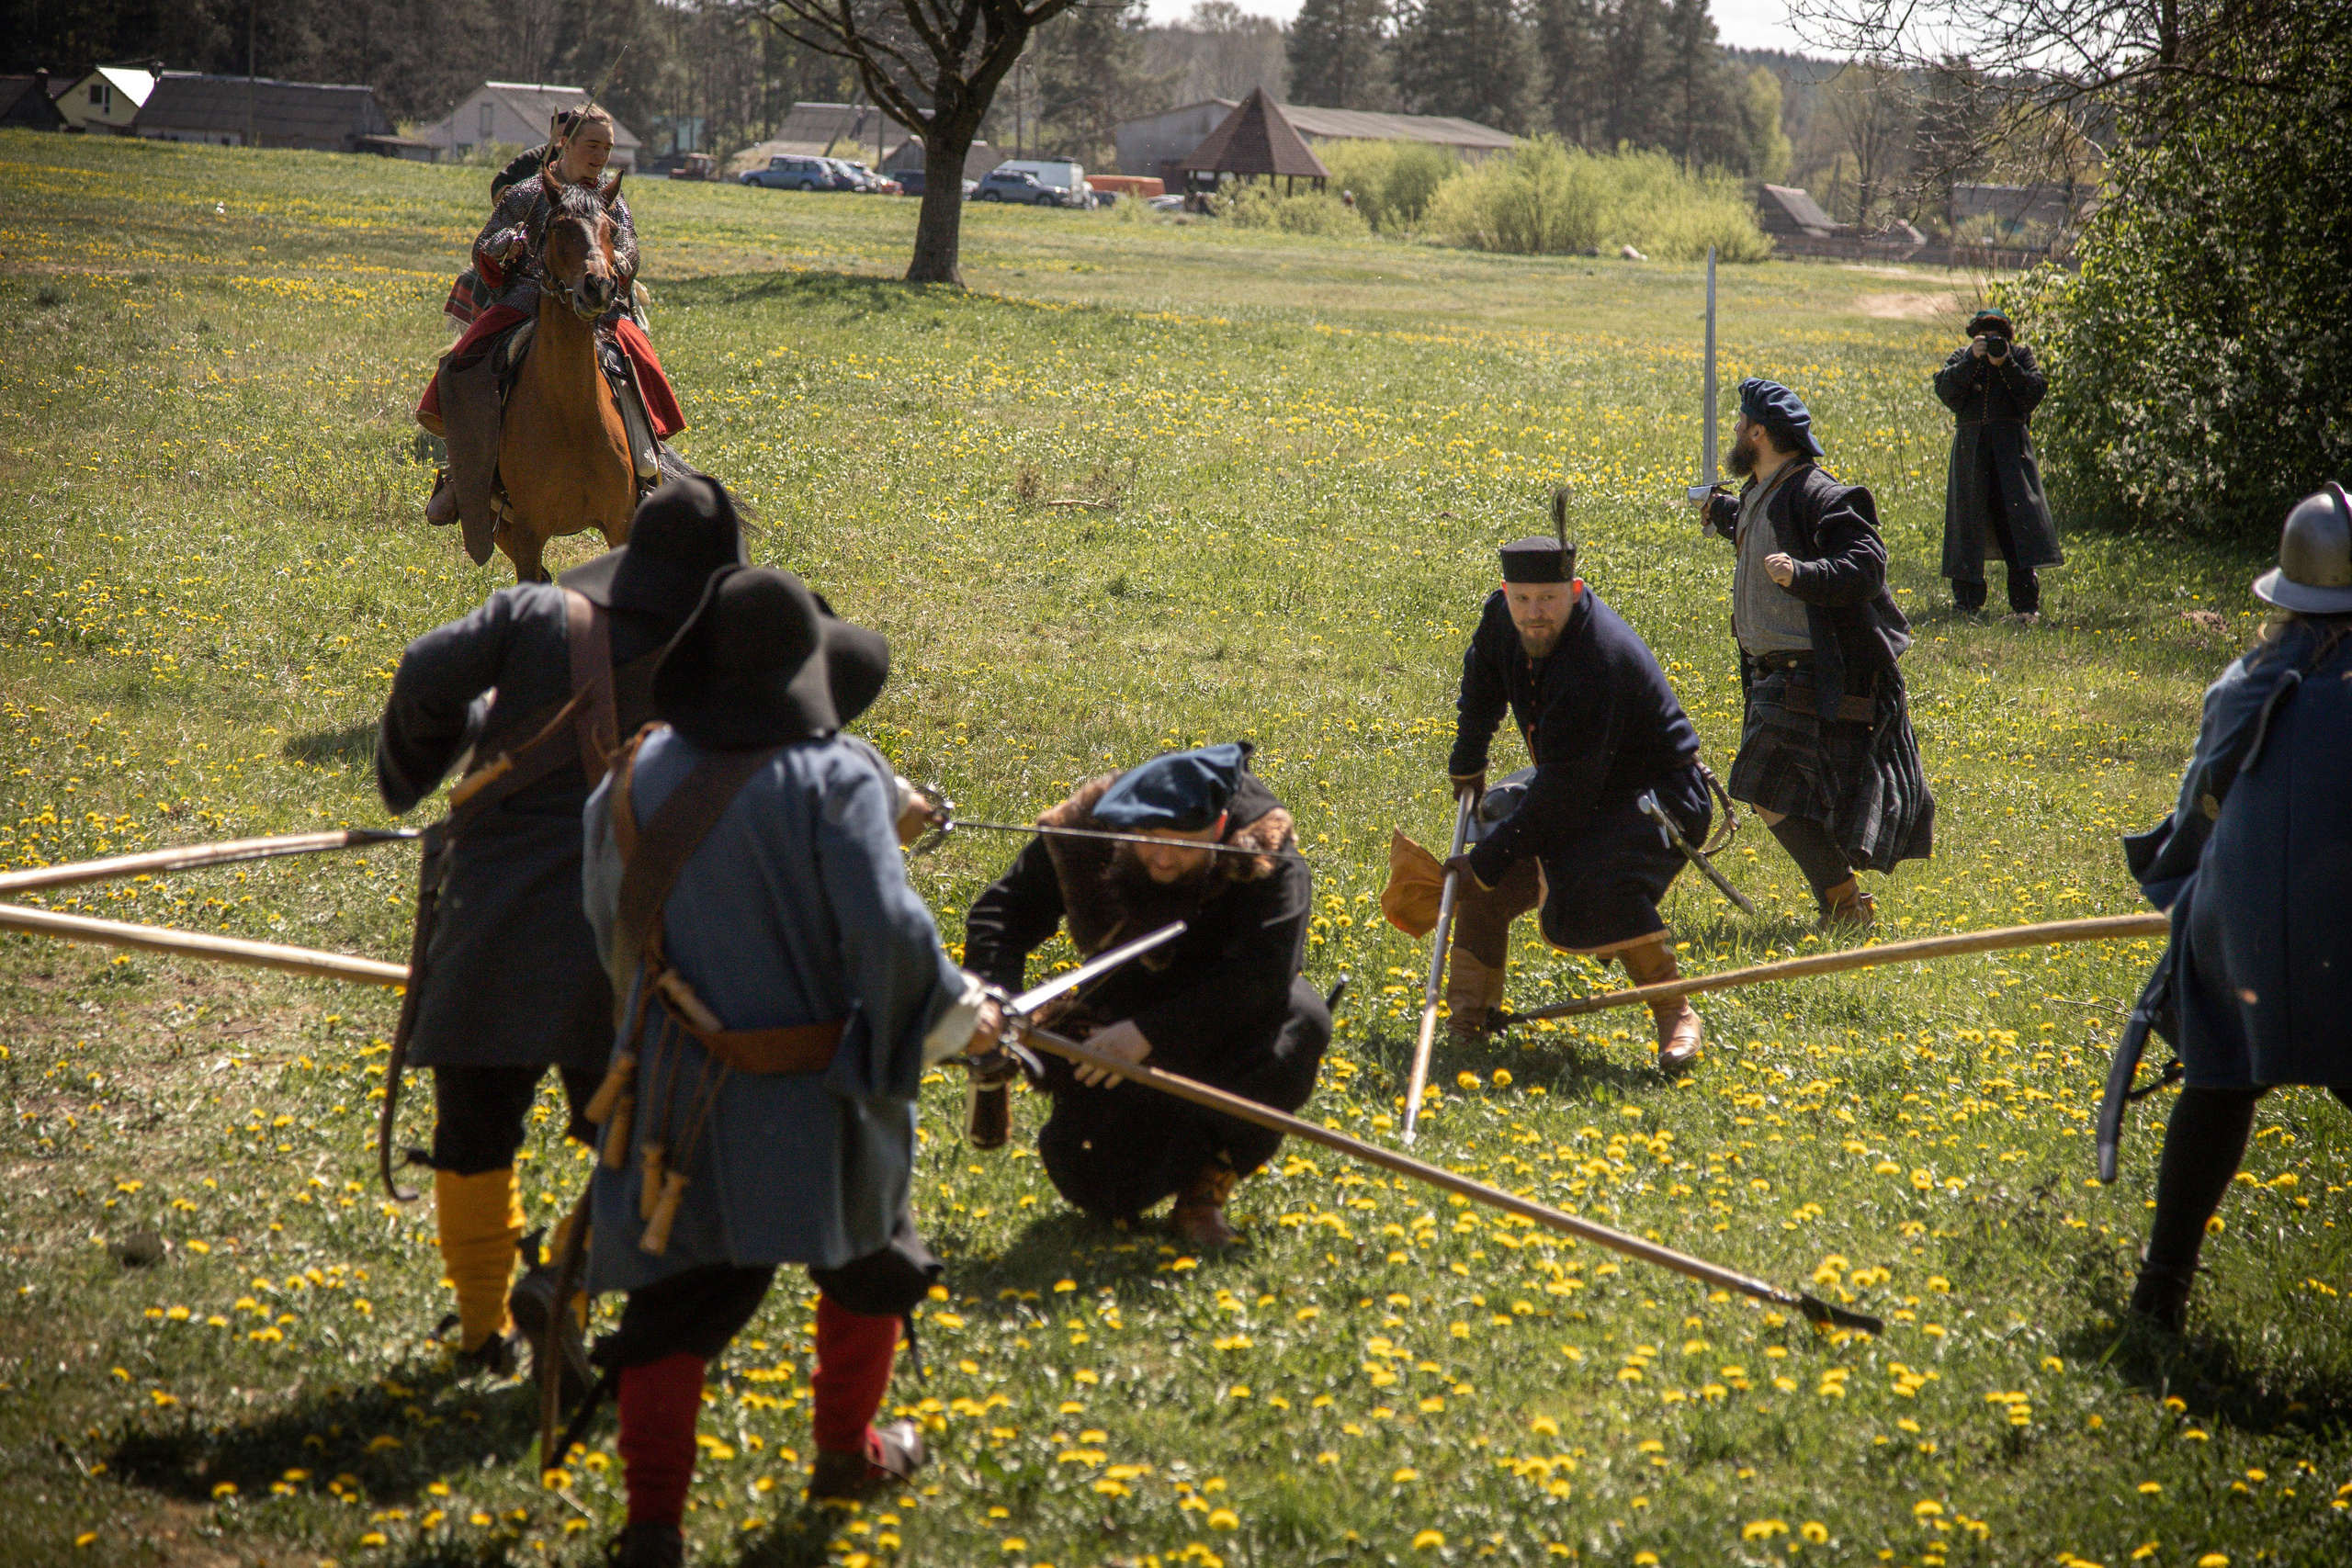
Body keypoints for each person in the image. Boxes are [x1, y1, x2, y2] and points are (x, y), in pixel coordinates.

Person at [577, 563, 1001, 1564]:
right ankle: (847, 1453)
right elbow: (889, 934)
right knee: (868, 1264)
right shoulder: (840, 776)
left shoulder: (630, 773)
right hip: (821, 1093)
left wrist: (672, 1023)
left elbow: (611, 936)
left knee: (671, 1302)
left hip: (674, 1092)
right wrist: (957, 1021)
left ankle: (652, 1531)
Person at [374, 476, 747, 1391]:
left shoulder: (538, 614)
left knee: (473, 1131)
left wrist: (421, 766)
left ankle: (479, 1332)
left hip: (492, 920)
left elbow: (427, 671)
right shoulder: (722, 660)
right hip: (626, 945)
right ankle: (562, 1285)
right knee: (629, 1136)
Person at [2119, 484, 2352, 1332]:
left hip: (2245, 931)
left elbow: (2199, 805)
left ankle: (2161, 1289)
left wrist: (2184, 895)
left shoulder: (2248, 678)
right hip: (2341, 938)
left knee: (2220, 1076)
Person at [960, 743, 1327, 1248]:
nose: (1162, 856)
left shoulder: (1264, 853)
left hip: (1228, 1013)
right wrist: (995, 1003)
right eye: (1149, 838)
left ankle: (1205, 1188)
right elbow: (1001, 913)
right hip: (1122, 999)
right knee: (1105, 1188)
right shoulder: (1091, 827)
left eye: (1182, 842)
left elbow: (1262, 977)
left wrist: (1150, 1035)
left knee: (1304, 1017)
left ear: (1219, 828)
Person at [1436, 534, 1713, 1068]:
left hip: (1659, 796)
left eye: (1548, 600)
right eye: (1522, 599)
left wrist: (1486, 865)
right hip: (1580, 786)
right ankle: (1468, 1021)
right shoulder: (1503, 617)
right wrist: (1468, 758)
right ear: (1505, 592)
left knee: (1592, 873)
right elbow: (1484, 672)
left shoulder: (1596, 659)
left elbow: (1565, 794)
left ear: (1575, 590)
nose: (1534, 615)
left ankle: (1675, 1013)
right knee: (1484, 866)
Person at [1702, 378, 1934, 927]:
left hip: (1808, 674)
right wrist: (1727, 516)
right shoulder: (1767, 487)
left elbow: (1866, 562)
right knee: (1785, 796)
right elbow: (1769, 526)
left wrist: (1802, 574)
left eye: (1741, 423)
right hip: (1773, 675)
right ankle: (1844, 903)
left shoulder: (1818, 493)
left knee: (1768, 793)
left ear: (1760, 432)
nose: (1735, 430)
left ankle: (1845, 904)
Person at [418, 105, 684, 525]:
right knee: (466, 361)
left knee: (637, 356)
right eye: (591, 145)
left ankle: (649, 469)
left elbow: (629, 247)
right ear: (565, 143)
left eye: (607, 148)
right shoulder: (528, 194)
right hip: (528, 300)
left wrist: (615, 267)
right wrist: (509, 242)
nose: (600, 156)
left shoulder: (611, 202)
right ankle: (465, 472)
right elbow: (485, 243)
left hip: (597, 307)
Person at [1934, 306, 2063, 621]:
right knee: (1967, 527)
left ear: (2007, 338)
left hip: (2011, 454)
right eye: (1985, 337)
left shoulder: (2019, 357)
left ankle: (2024, 606)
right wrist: (1970, 360)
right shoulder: (1963, 357)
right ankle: (1966, 604)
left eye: (1998, 337)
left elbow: (2034, 393)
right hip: (1971, 453)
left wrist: (2005, 364)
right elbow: (1945, 390)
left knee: (2018, 527)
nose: (1992, 342)